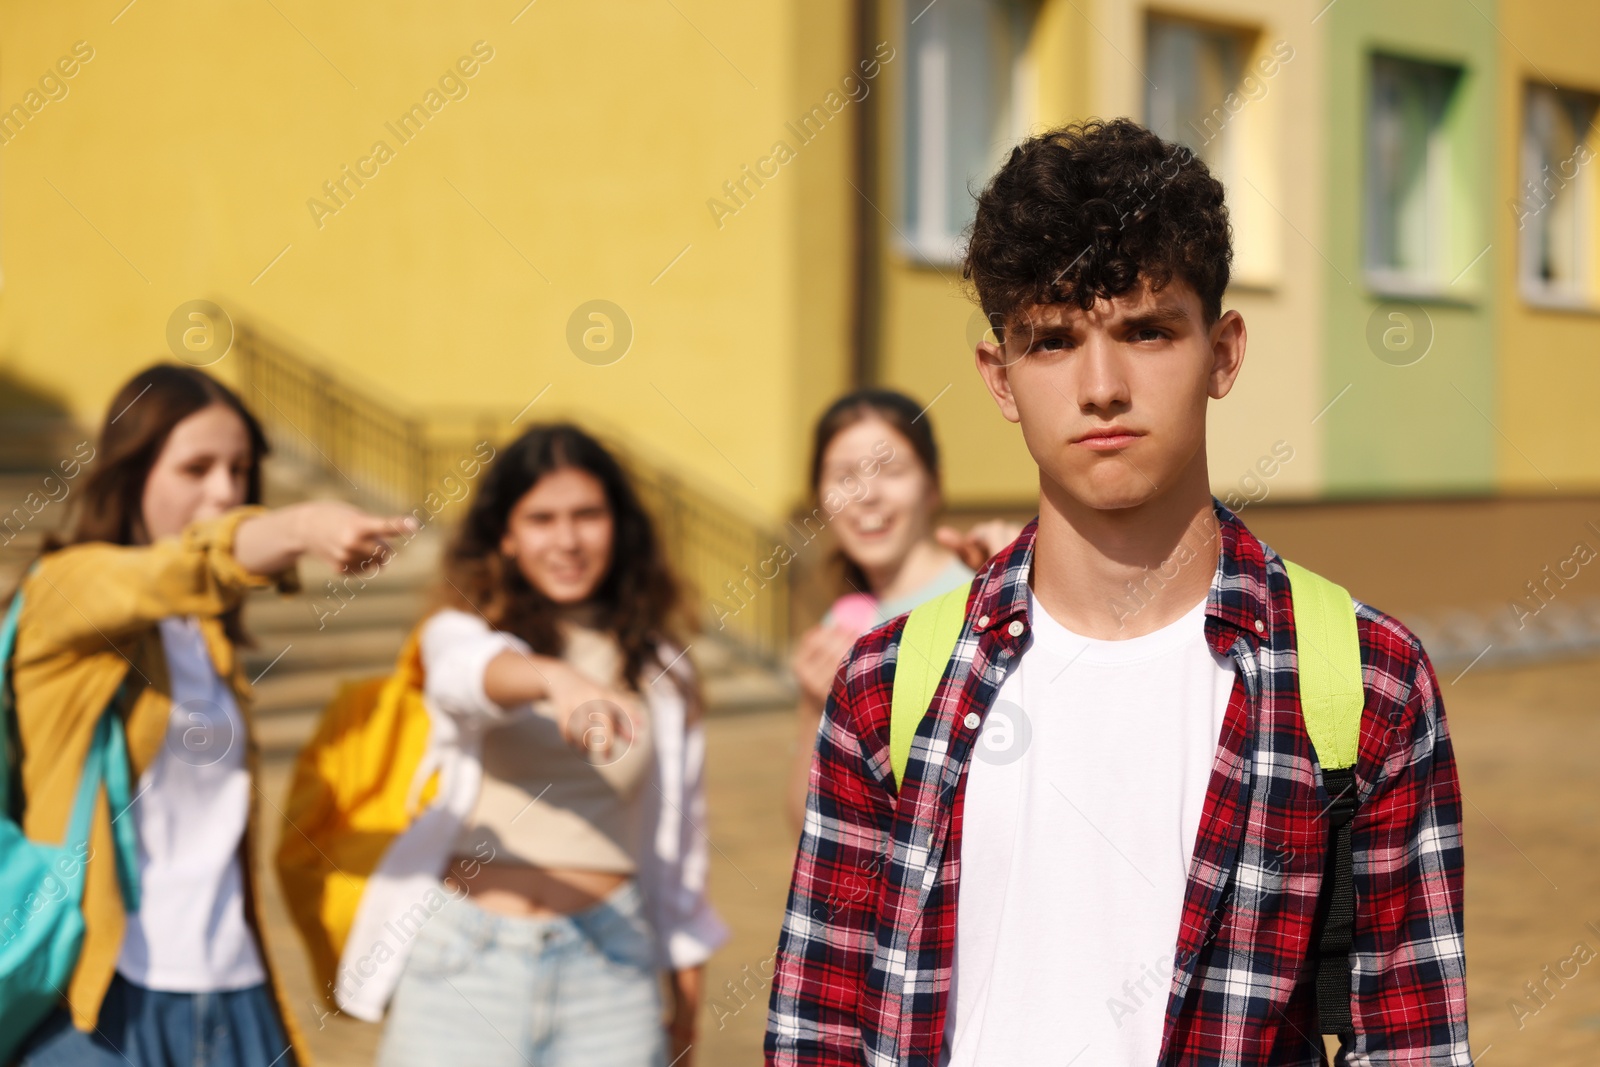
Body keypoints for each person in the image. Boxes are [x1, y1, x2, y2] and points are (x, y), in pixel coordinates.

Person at [766, 119, 1468, 1065]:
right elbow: (817, 1029)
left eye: (1146, 330)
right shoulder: (887, 684)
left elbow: (1413, 1042)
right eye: (1052, 341)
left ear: (1222, 352)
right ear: (1000, 378)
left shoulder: (1366, 683)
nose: (1102, 386)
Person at [11, 363, 414, 1066]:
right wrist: (299, 524)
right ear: (131, 473)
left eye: (239, 470)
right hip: (106, 999)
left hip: (237, 993)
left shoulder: (212, 640)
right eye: (195, 468)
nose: (224, 491)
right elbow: (181, 569)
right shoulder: (65, 591)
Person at [374, 423, 727, 1067]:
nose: (567, 540)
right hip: (464, 960)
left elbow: (681, 853)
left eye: (587, 515)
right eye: (541, 518)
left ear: (618, 525)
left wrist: (686, 1011)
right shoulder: (462, 630)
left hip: (611, 967)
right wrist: (554, 680)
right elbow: (466, 674)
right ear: (505, 536)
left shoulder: (664, 666)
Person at [785, 390, 1016, 831]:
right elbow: (809, 826)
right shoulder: (841, 625)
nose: (867, 495)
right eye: (844, 476)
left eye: (890, 470)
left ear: (933, 486)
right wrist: (813, 709)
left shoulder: (985, 596)